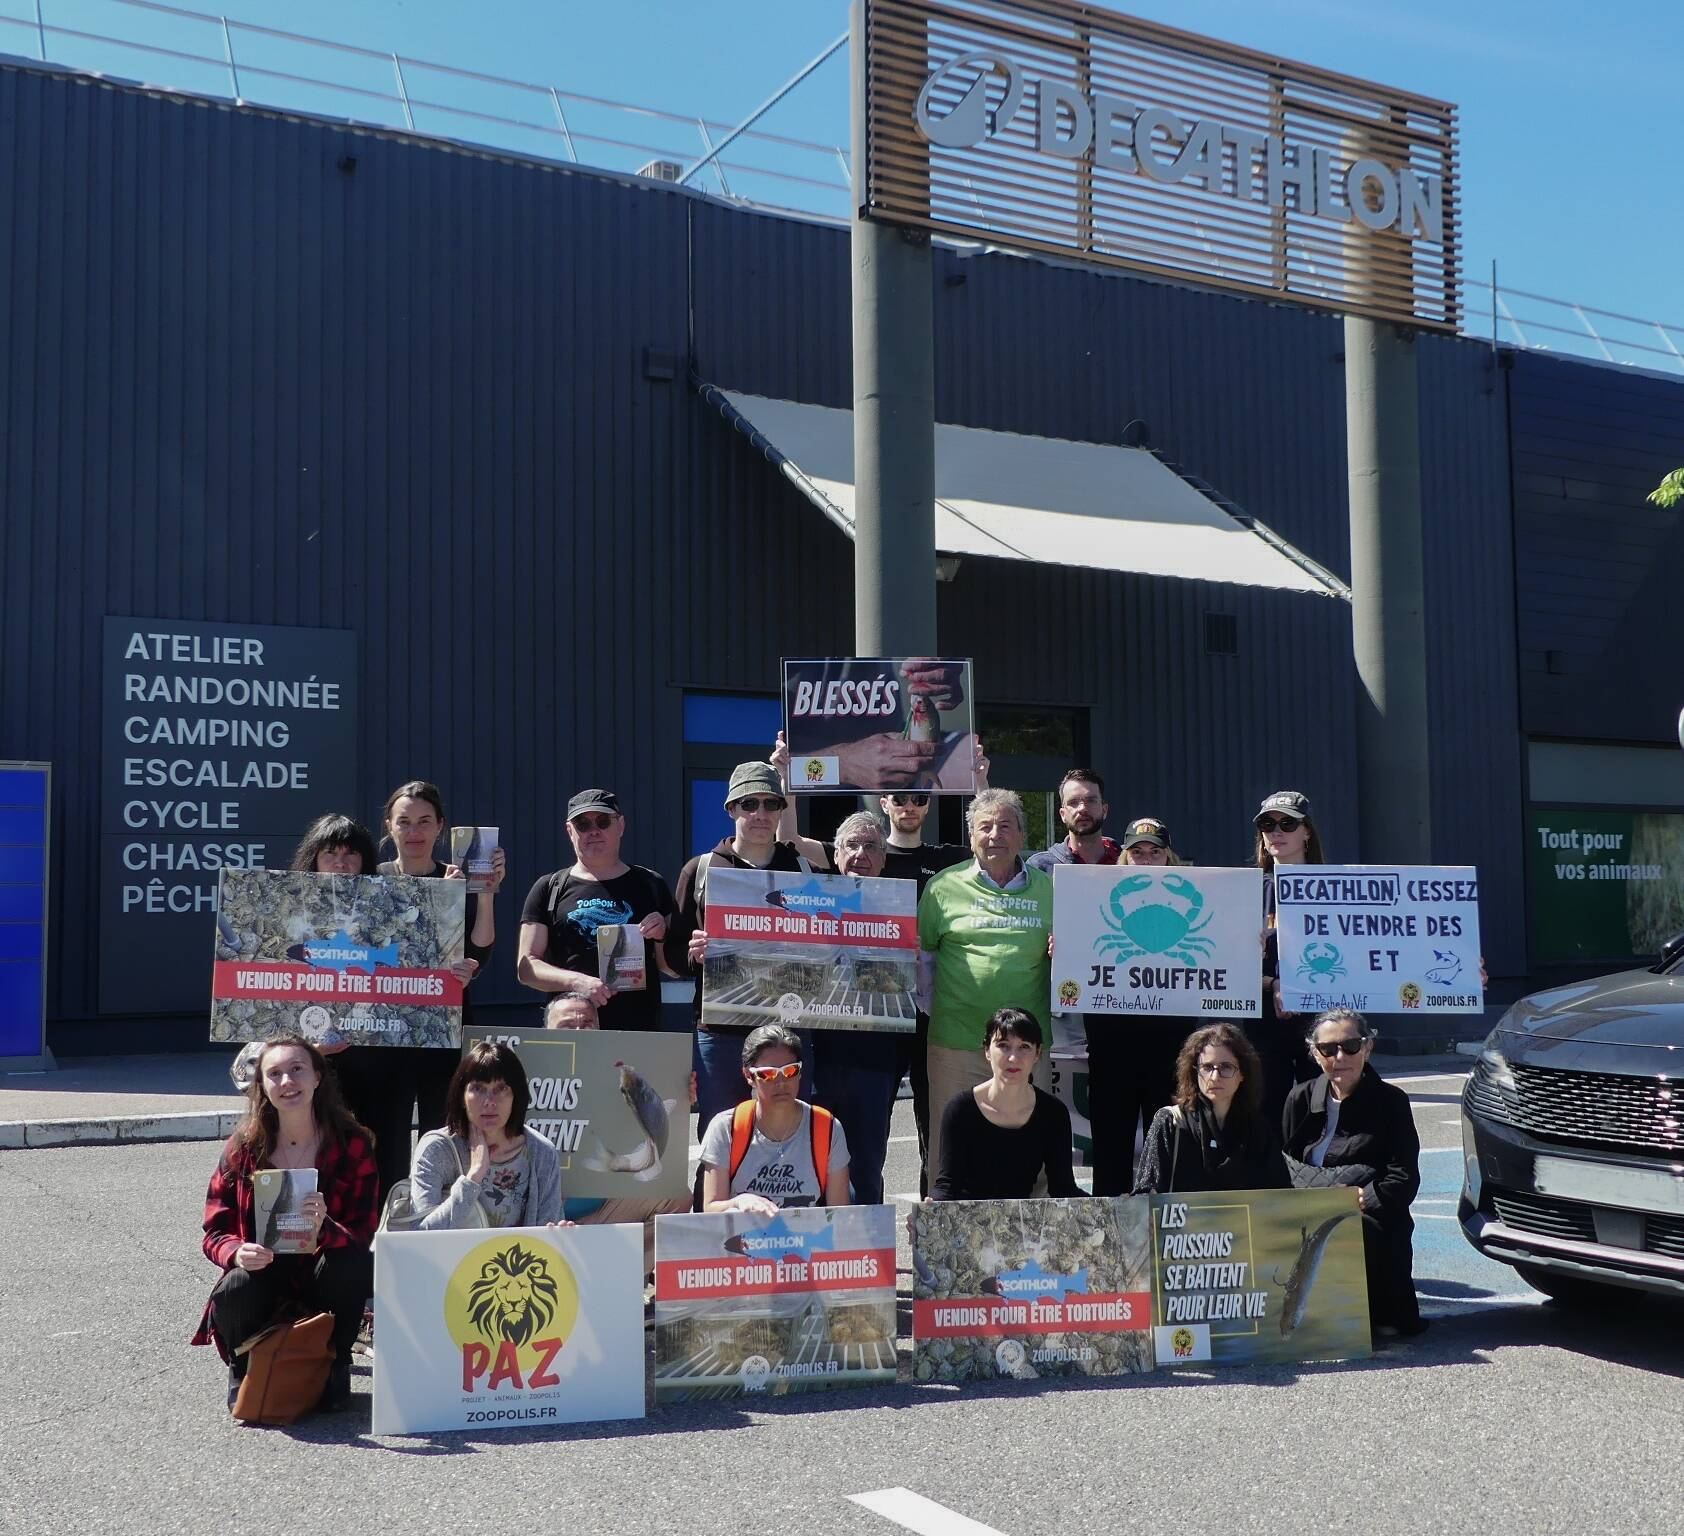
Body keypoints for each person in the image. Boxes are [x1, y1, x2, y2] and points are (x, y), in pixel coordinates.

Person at [772, 730, 987, 1193]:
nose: (909, 805)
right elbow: (788, 840)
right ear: (884, 801)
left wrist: (980, 781)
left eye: (918, 798)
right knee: (835, 1143)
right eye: (900, 797)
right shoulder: (844, 862)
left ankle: (934, 1208)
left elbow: (989, 853)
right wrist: (788, 779)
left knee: (924, 1126)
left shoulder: (941, 861)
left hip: (923, 1016)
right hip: (850, 1031)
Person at [192, 1035, 378, 1411]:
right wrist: (236, 1252)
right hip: (267, 1274)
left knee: (352, 1263)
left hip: (323, 1276)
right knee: (234, 1285)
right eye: (274, 1074)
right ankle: (245, 1368)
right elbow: (214, 1231)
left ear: (317, 1078)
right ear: (263, 1086)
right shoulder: (244, 1147)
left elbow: (365, 1233)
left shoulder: (352, 1144)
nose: (287, 1082)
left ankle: (335, 1362)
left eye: (297, 1070)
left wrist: (326, 1227)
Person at [366, 779, 505, 1197]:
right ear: (389, 826)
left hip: (444, 1029)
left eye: (424, 821)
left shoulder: (456, 879)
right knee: (384, 1139)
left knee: (442, 1135)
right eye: (404, 821)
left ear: (440, 827)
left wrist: (486, 893)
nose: (414, 832)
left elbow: (480, 951)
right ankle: (386, 1234)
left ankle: (439, 1226)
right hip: (384, 1032)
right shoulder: (372, 879)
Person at [665, 761, 816, 1134]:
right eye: (749, 804)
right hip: (721, 1030)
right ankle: (716, 1197)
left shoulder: (803, 869)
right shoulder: (700, 869)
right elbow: (670, 958)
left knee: (788, 1133)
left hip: (789, 1028)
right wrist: (693, 954)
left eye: (770, 804)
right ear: (732, 809)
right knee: (721, 1134)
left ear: (782, 810)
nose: (760, 814)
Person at [917, 788, 1055, 1181]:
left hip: (1027, 1048)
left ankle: (1034, 1241)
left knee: (1031, 1156)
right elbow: (923, 961)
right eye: (985, 827)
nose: (995, 835)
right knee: (951, 1154)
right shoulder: (942, 888)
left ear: (1022, 836)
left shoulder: (1050, 889)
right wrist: (940, 1010)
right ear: (971, 836)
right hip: (955, 1044)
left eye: (1005, 826)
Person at [1282, 1009, 1425, 1337]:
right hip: (1308, 1213)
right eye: (1328, 1050)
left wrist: (1364, 1198)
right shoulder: (1298, 1099)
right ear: (1315, 1054)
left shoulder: (1392, 1102)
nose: (1340, 1056)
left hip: (1369, 1218)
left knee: (1355, 1231)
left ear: (1368, 1047)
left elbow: (1404, 1178)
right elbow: (1284, 1164)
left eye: (1350, 1046)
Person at [516, 788, 676, 1032]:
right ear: (570, 831)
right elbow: (526, 968)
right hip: (573, 1029)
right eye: (582, 824)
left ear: (620, 826)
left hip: (637, 1028)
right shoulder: (549, 887)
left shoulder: (651, 884)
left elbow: (671, 968)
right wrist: (577, 982)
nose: (593, 831)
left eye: (603, 821)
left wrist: (662, 935)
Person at [804, 811, 901, 1205]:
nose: (861, 854)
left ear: (883, 859)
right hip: (815, 1057)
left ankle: (868, 1256)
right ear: (836, 854)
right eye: (851, 846)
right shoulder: (807, 901)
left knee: (865, 1166)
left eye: (871, 847)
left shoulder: (900, 907)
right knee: (812, 1166)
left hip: (875, 1060)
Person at [930, 1008, 1079, 1201]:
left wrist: (1115, 1206)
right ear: (987, 1051)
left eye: (1024, 1047)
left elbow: (1063, 1188)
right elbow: (948, 1186)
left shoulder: (1053, 1113)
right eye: (1003, 1045)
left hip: (1023, 1223)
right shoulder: (960, 1109)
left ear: (1037, 1053)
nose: (1013, 1058)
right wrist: (928, 1210)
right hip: (967, 1222)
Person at [409, 1041, 561, 1229]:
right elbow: (418, 1233)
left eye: (501, 1089)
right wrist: (473, 1178)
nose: (489, 1101)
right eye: (478, 1088)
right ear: (462, 1096)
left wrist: (559, 1234)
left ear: (517, 1096)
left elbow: (548, 1232)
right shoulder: (436, 1149)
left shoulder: (542, 1152)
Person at [698, 1025, 850, 1212]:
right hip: (742, 1239)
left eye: (790, 1071)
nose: (781, 1082)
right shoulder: (725, 1127)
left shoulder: (828, 1129)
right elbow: (711, 1210)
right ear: (749, 1076)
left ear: (801, 1072)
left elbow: (841, 1216)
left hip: (807, 1239)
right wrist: (739, 1202)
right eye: (768, 1074)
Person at [1132, 1024, 1288, 1194]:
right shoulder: (1171, 1122)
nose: (1214, 1077)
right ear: (1194, 1072)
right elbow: (1145, 1199)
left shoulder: (1257, 1129)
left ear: (1243, 1074)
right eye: (1207, 1068)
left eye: (1226, 1067)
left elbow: (1279, 1198)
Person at [1251, 789, 1326, 1129]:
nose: (1277, 831)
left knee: (1321, 1111)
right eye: (1268, 824)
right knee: (1266, 1116)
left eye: (1288, 824)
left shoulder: (1340, 887)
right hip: (1265, 1020)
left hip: (1322, 1018)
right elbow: (1224, 962)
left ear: (1307, 831)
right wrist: (1274, 983)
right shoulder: (1246, 889)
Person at [1027, 769, 1121, 872]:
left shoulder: (1130, 861)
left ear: (1104, 810)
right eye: (1073, 802)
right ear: (1062, 814)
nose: (1082, 809)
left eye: (1091, 800)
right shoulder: (1039, 868)